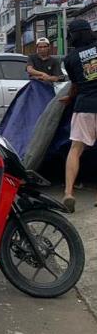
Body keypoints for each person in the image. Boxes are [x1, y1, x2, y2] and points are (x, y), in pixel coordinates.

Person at [61, 19, 97, 212]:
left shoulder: (70, 59)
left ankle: (68, 192)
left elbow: (75, 86)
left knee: (75, 149)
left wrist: (68, 99)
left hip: (84, 106)